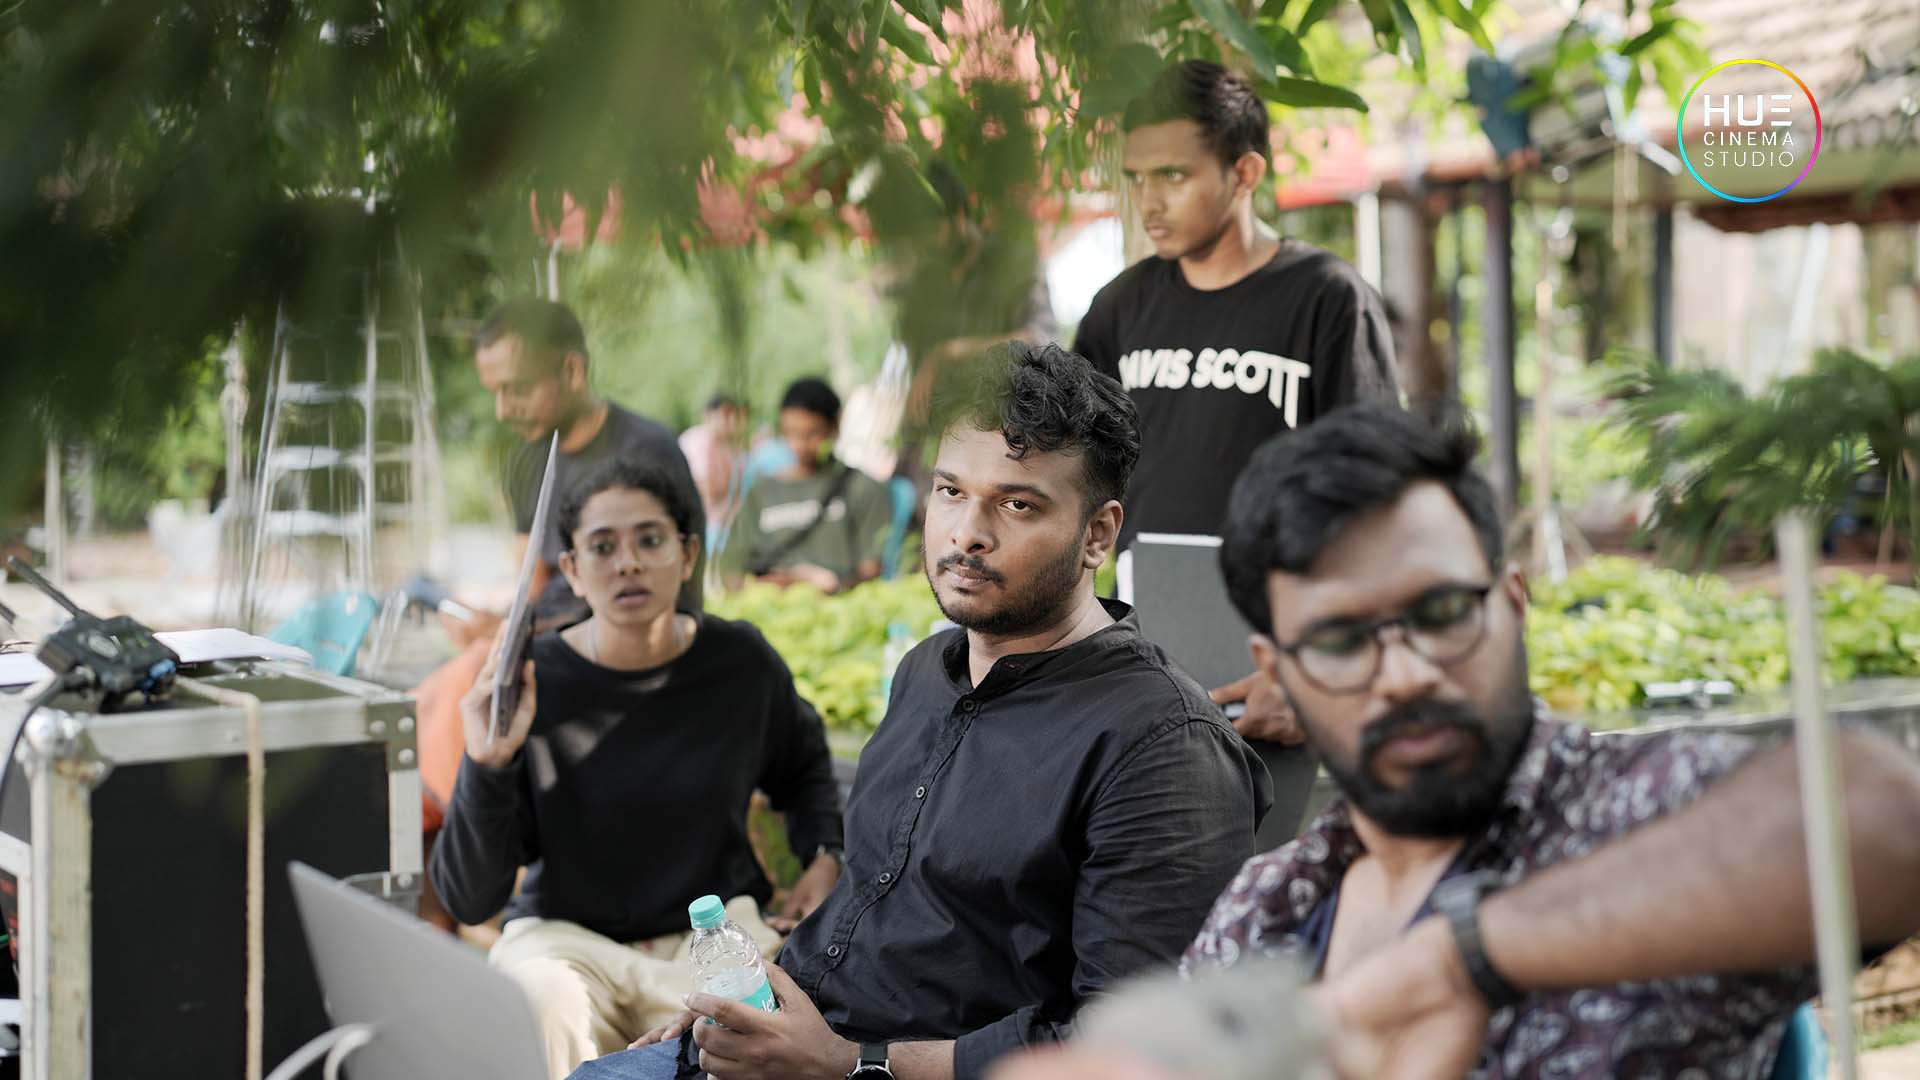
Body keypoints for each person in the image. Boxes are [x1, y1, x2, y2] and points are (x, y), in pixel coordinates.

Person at [572, 341, 1271, 1080]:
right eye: (949, 491)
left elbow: (1131, 1047)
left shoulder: (1161, 745)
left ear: (1098, 533)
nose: (968, 531)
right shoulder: (926, 672)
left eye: (1016, 503)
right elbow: (876, 903)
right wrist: (751, 997)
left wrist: (851, 1064)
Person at [1180, 402, 1920, 1077]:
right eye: (1341, 641)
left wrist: (1462, 956)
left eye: (1440, 611)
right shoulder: (1266, 908)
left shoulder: (1642, 810)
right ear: (1279, 674)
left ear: (1512, 604)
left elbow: (1890, 818)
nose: (1403, 675)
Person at [429, 459, 844, 1079]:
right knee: (543, 1002)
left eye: (650, 540)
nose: (628, 562)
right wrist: (489, 763)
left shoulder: (740, 664)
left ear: (687, 554)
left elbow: (806, 764)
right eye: (602, 547)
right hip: (566, 945)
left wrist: (824, 854)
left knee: (770, 1027)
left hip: (711, 939)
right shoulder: (531, 680)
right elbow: (469, 897)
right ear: (571, 568)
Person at [1071, 60, 1399, 841]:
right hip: (1145, 661)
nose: (1149, 200)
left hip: (1277, 666)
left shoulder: (1325, 298)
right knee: (1151, 910)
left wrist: (1315, 666)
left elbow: (1380, 508)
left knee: (1265, 912)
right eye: (1137, 177)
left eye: (1175, 175)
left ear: (1245, 171)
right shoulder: (1120, 309)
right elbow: (1069, 479)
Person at [415, 300, 708, 880]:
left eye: (517, 388)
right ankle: (456, 876)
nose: (503, 408)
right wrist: (498, 619)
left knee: (460, 687)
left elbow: (670, 592)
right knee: (428, 695)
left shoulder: (645, 452)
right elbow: (537, 578)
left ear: (572, 371)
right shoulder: (528, 456)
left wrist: (508, 637)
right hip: (546, 637)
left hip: (630, 642)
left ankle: (483, 876)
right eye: (494, 392)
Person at [723, 377, 891, 593]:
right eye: (791, 433)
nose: (800, 445)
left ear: (836, 426)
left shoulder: (863, 488)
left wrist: (826, 584)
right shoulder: (760, 493)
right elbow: (731, 570)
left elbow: (871, 573)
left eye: (812, 434)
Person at [679, 393, 749, 532]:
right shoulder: (696, 442)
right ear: (708, 415)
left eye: (736, 416)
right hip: (703, 523)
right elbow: (705, 489)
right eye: (726, 415)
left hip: (727, 522)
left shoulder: (736, 451)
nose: (732, 421)